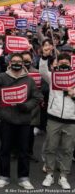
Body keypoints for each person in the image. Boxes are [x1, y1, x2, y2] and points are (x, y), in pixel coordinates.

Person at [0, 53, 42, 190]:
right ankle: (4, 177)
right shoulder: (2, 77)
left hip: (24, 120)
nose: (17, 63)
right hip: (6, 119)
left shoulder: (29, 80)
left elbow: (37, 97)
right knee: (5, 150)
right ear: (9, 63)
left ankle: (23, 178)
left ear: (23, 64)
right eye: (14, 61)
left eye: (19, 61)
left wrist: (26, 106)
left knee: (24, 151)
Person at [39, 47, 75, 190]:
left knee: (67, 150)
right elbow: (42, 71)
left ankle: (64, 176)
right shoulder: (52, 76)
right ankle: (49, 174)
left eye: (67, 62)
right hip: (54, 118)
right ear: (57, 64)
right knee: (51, 147)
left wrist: (73, 94)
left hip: (71, 120)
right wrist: (44, 56)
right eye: (62, 63)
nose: (64, 64)